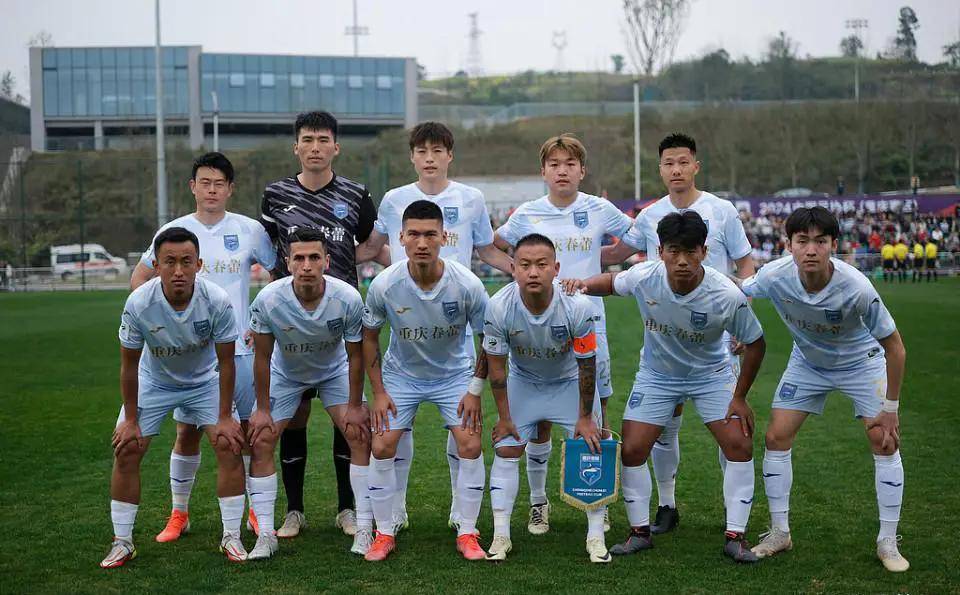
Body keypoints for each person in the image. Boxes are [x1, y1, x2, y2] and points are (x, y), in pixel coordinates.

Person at [564, 211, 766, 563]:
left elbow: (756, 342)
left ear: (704, 252)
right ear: (660, 251)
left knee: (739, 444)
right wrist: (579, 284)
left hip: (711, 375)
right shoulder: (645, 275)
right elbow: (611, 283)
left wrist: (740, 397)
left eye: (691, 251)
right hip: (657, 375)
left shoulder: (725, 294)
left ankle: (736, 536)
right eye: (674, 251)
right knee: (632, 450)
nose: (682, 260)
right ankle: (639, 532)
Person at [356, 121, 512, 533]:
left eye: (437, 150)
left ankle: (463, 516)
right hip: (406, 317)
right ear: (412, 157)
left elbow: (485, 250)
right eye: (422, 151)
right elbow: (374, 248)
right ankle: (394, 513)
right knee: (394, 432)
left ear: (449, 155)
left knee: (463, 430)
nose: (429, 158)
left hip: (455, 320)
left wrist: (525, 271)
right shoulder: (395, 199)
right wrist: (322, 261)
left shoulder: (471, 198)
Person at [601, 132, 756, 534]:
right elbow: (617, 255)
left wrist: (744, 315)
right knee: (664, 427)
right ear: (660, 169)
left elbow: (745, 265)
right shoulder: (651, 216)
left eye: (683, 162)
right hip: (666, 338)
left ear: (695, 166)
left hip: (717, 338)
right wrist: (566, 253)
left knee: (727, 430)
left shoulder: (722, 211)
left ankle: (732, 511)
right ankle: (667, 505)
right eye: (669, 163)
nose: (676, 170)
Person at [739, 207, 909, 572]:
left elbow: (895, 348)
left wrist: (891, 408)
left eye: (820, 241)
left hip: (861, 363)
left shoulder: (857, 287)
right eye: (802, 241)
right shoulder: (774, 275)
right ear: (788, 245)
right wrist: (738, 325)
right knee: (775, 437)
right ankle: (780, 533)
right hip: (808, 363)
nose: (811, 250)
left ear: (834, 244)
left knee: (884, 440)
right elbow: (739, 290)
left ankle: (888, 541)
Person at [493, 133, 635, 535]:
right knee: (538, 413)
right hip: (537, 322)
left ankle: (598, 496)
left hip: (589, 320)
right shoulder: (528, 213)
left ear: (582, 170)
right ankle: (539, 503)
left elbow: (635, 239)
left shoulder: (598, 208)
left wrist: (598, 268)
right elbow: (495, 245)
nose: (562, 171)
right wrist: (521, 275)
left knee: (597, 408)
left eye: (570, 164)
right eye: (554, 164)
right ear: (543, 171)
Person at [130, 152, 276, 542]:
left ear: (230, 189)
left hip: (239, 350)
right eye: (205, 183)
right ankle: (179, 513)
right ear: (192, 187)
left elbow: (278, 276)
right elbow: (140, 278)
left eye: (219, 184)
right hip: (191, 355)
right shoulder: (174, 230)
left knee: (243, 434)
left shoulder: (249, 229)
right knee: (187, 433)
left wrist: (261, 321)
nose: (212, 190)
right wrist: (163, 329)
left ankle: (254, 513)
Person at [259, 110, 383, 538]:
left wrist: (343, 267)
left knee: (346, 418)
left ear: (336, 147)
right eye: (308, 140)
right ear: (296, 147)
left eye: (323, 140)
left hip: (340, 322)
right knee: (294, 416)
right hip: (292, 324)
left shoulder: (356, 194)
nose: (315, 147)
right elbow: (272, 250)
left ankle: (347, 509)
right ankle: (294, 510)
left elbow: (369, 244)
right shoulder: (275, 194)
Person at [101, 227, 248, 567]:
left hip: (205, 381)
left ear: (199, 264)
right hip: (154, 382)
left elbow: (227, 363)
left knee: (228, 444)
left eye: (186, 261)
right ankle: (122, 542)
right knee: (127, 448)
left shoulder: (217, 300)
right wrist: (131, 420)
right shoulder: (139, 303)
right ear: (156, 265)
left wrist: (225, 417)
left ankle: (231, 536)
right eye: (169, 262)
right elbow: (128, 366)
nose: (178, 270)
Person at [361, 200, 490, 562]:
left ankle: (467, 531)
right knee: (382, 446)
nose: (422, 243)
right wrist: (379, 392)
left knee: (470, 444)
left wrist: (474, 390)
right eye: (414, 234)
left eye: (430, 234)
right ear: (401, 237)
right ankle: (384, 532)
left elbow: (489, 338)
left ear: (444, 237)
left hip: (454, 375)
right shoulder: (385, 284)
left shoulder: (467, 284)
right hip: (401, 376)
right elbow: (369, 337)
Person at [245, 229, 372, 560]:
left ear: (326, 262)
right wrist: (261, 409)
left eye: (314, 257)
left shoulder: (347, 298)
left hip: (334, 371)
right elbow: (262, 357)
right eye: (299, 258)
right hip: (286, 374)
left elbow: (356, 356)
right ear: (288, 263)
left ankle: (363, 526)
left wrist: (355, 405)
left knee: (359, 433)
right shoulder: (269, 300)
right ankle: (266, 534)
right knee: (261, 439)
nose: (306, 265)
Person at [483, 233, 608, 563]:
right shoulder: (498, 306)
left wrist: (585, 417)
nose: (533, 272)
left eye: (541, 264)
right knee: (506, 448)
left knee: (591, 446)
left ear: (556, 268)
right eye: (525, 265)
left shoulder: (578, 307)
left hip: (569, 382)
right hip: (525, 382)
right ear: (513, 268)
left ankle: (596, 536)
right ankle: (501, 535)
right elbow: (496, 370)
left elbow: (587, 365)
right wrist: (504, 418)